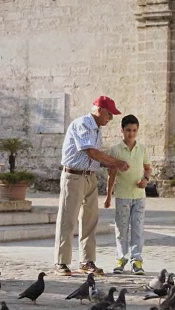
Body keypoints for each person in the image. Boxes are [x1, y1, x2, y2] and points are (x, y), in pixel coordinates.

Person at [53, 96, 130, 276]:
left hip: (90, 177)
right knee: (68, 219)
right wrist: (116, 162)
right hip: (74, 177)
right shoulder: (83, 124)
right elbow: (92, 152)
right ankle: (61, 262)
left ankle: (87, 261)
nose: (110, 119)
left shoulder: (97, 129)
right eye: (109, 114)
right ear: (99, 110)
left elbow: (93, 158)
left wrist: (109, 164)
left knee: (90, 221)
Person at [104, 114, 152, 275]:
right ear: (122, 130)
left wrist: (145, 180)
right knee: (121, 228)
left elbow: (147, 168)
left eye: (134, 130)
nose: (131, 134)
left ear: (137, 131)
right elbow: (111, 175)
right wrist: (109, 196)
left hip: (139, 196)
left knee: (137, 228)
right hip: (122, 195)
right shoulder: (115, 151)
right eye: (128, 130)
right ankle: (121, 258)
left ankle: (137, 260)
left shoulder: (142, 149)